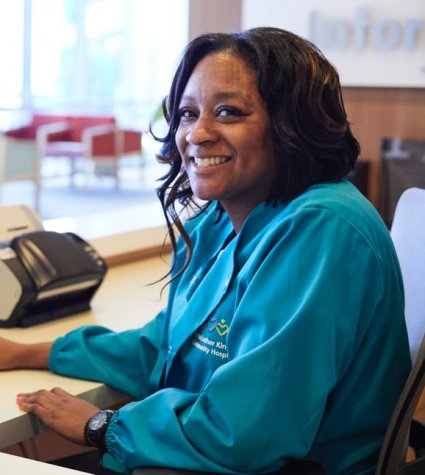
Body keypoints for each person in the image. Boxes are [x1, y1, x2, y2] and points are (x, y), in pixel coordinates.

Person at [0, 27, 411, 475]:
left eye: (229, 112)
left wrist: (103, 426)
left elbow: (245, 434)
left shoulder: (321, 228)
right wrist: (27, 353)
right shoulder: (223, 217)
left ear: (292, 123)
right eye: (187, 113)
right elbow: (163, 347)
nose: (197, 134)